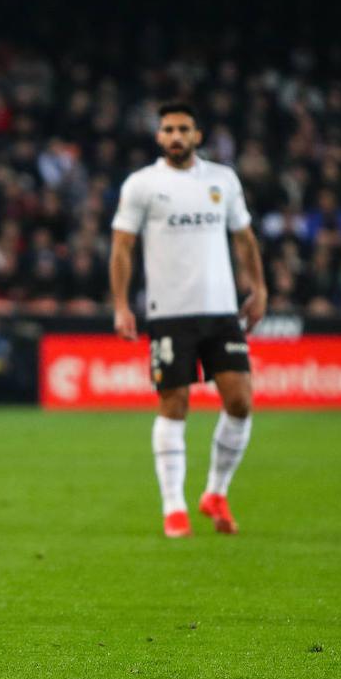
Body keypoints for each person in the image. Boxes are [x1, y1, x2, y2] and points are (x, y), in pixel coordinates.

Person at [109, 101, 266, 538]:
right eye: (168, 129)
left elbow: (244, 237)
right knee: (174, 404)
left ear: (197, 136)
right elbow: (121, 247)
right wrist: (122, 305)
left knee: (240, 401)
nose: (176, 136)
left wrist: (259, 288)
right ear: (159, 137)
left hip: (221, 311)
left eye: (184, 129)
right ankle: (174, 507)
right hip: (169, 312)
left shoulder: (223, 179)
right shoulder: (143, 184)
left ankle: (216, 491)